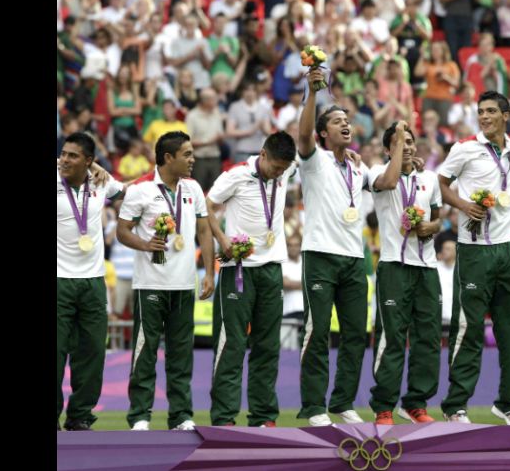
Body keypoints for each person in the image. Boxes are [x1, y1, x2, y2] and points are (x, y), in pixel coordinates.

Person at [436, 91, 510, 425]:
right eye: (481, 111)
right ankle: (455, 405)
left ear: (506, 115)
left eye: (491, 111)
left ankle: (509, 404)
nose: (485, 116)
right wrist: (464, 206)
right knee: (469, 327)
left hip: (509, 248)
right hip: (473, 248)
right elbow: (441, 184)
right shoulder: (464, 148)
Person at [116, 131, 215, 431]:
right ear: (168, 157)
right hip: (150, 284)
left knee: (181, 356)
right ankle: (140, 416)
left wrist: (210, 272)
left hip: (184, 284)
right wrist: (145, 245)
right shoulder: (140, 189)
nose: (192, 159)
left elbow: (204, 232)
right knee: (145, 354)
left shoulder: (194, 188)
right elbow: (122, 231)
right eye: (187, 154)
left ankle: (181, 415)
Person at [205, 131, 298, 427]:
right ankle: (223, 417)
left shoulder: (286, 168)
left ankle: (263, 416)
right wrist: (222, 239)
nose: (280, 173)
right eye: (276, 167)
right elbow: (204, 206)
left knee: (267, 346)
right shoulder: (235, 175)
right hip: (239, 269)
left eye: (285, 169)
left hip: (272, 269)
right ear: (263, 153)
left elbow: (307, 139)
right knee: (231, 344)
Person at [296, 69, 370, 426]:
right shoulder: (314, 161)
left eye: (347, 121)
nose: (345, 125)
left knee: (356, 333)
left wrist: (405, 158)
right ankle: (313, 407)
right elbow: (302, 134)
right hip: (321, 255)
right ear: (324, 133)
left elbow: (386, 182)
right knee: (318, 330)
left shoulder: (358, 167)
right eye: (337, 122)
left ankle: (342, 402)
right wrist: (312, 93)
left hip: (355, 258)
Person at [368, 121, 443, 425]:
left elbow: (439, 220)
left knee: (428, 338)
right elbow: (387, 182)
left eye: (411, 141)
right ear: (388, 149)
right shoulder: (377, 172)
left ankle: (415, 404)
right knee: (392, 338)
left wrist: (430, 228)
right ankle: (384, 405)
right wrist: (398, 147)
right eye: (401, 142)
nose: (408, 146)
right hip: (393, 266)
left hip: (427, 267)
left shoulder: (430, 179)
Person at [58, 132, 124, 431]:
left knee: (94, 351)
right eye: (63, 153)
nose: (65, 160)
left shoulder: (101, 183)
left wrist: (105, 172)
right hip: (59, 281)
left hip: (94, 282)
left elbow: (128, 192)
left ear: (89, 161)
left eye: (73, 155)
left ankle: (81, 415)